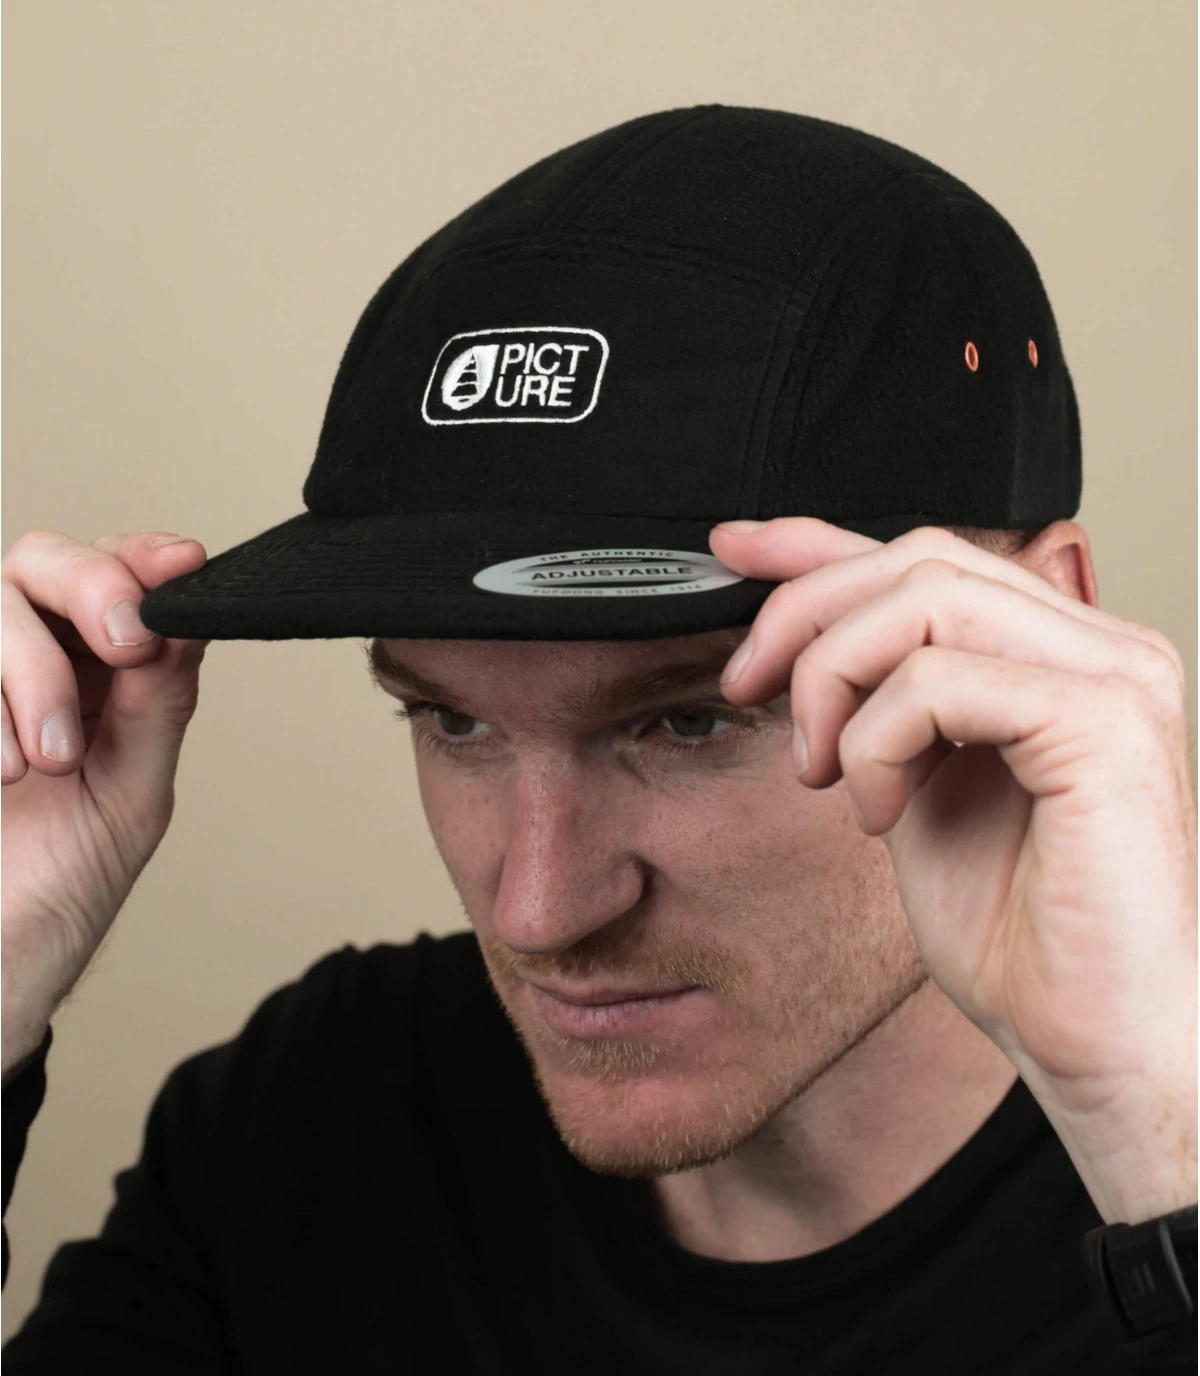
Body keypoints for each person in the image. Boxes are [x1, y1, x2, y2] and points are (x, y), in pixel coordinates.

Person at [1, 105, 1195, 1373]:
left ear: (1038, 628)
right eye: (454, 717)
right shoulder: (317, 1117)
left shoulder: (1171, 1138)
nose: (539, 909)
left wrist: (1159, 1129)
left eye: (690, 719)